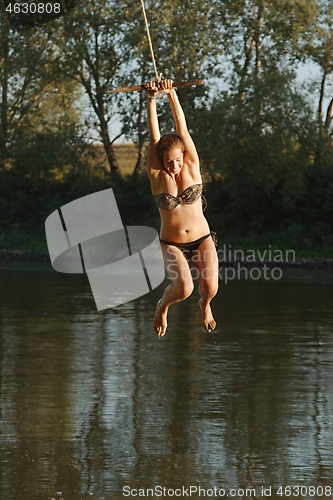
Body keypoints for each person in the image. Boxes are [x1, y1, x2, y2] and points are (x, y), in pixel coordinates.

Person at [144, 79, 219, 337]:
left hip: (201, 239)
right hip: (171, 243)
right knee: (184, 288)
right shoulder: (157, 175)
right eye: (169, 162)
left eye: (177, 160)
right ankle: (162, 306)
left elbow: (182, 129)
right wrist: (151, 99)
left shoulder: (192, 166)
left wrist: (171, 93)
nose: (174, 166)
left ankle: (205, 305)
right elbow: (154, 137)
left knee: (210, 289)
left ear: (184, 156)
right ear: (161, 160)